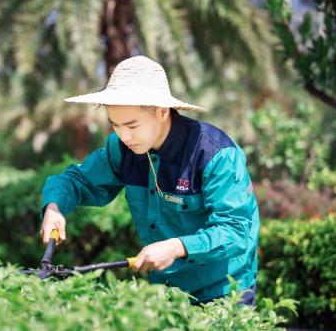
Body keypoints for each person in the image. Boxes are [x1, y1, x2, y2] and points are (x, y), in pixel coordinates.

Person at [39, 55, 259, 306]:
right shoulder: (121, 149)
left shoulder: (216, 155)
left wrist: (177, 247)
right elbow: (76, 180)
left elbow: (236, 231)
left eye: (132, 125)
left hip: (226, 289)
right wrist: (54, 207)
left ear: (161, 112)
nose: (124, 136)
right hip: (167, 291)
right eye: (116, 126)